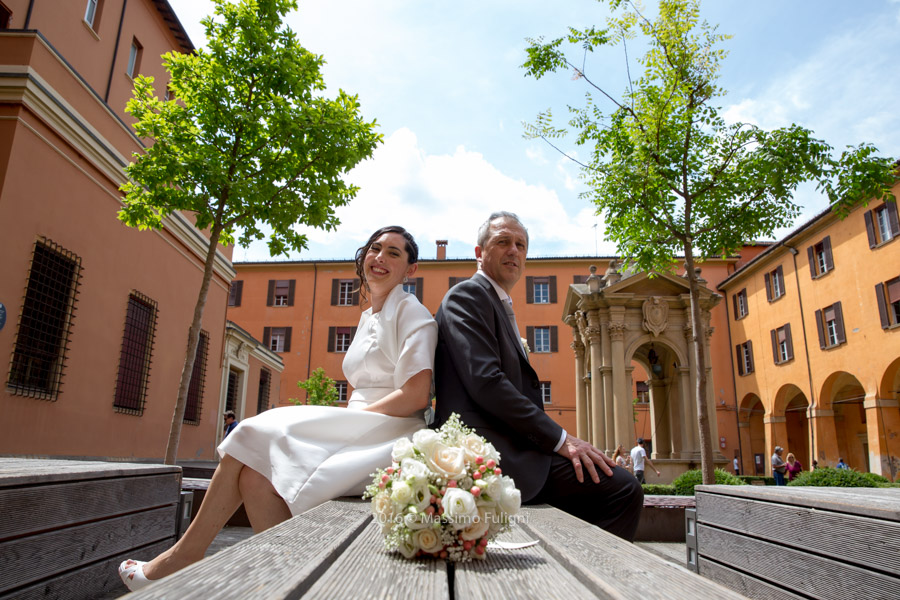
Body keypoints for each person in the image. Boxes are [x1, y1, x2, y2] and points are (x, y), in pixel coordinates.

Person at [119, 226, 437, 590]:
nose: (380, 257)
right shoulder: (367, 318)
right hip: (360, 428)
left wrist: (346, 422)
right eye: (375, 248)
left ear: (411, 270)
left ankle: (183, 556)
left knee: (254, 429)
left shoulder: (412, 312)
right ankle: (297, 581)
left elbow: (416, 396)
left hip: (389, 433)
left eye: (394, 253)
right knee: (254, 478)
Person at [433, 211, 643, 541]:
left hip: (518, 450)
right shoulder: (468, 296)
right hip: (494, 453)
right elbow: (487, 382)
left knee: (613, 484)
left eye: (521, 245)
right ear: (479, 253)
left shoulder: (496, 302)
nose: (513, 250)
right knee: (622, 489)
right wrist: (562, 441)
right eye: (502, 242)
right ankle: (593, 584)